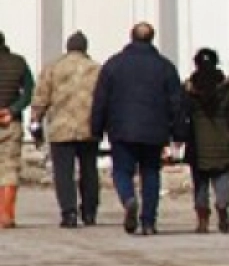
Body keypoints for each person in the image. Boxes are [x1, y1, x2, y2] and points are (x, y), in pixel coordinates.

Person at [91, 22, 186, 236]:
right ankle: (149, 222)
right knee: (151, 173)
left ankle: (128, 199)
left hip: (121, 130)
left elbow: (101, 100)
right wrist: (179, 133)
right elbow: (177, 102)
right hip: (154, 131)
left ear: (131, 37)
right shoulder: (165, 67)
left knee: (122, 171)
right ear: (152, 38)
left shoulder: (114, 65)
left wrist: (96, 130)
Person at [31, 31, 103, 228]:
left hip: (60, 127)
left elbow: (41, 97)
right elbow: (104, 98)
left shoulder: (53, 68)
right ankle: (89, 211)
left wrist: (36, 121)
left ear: (68, 47)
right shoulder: (96, 68)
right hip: (89, 127)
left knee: (63, 172)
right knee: (89, 170)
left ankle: (69, 212)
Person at [183, 47, 229, 234]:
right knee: (222, 177)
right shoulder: (227, 89)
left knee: (200, 182)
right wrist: (228, 134)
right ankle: (222, 206)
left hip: (197, 141)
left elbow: (181, 113)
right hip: (221, 138)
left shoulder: (189, 89)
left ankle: (202, 218)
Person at [0, 30, 36, 230]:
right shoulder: (18, 63)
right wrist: (12, 110)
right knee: (10, 167)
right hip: (10, 123)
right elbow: (30, 91)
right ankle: (6, 214)